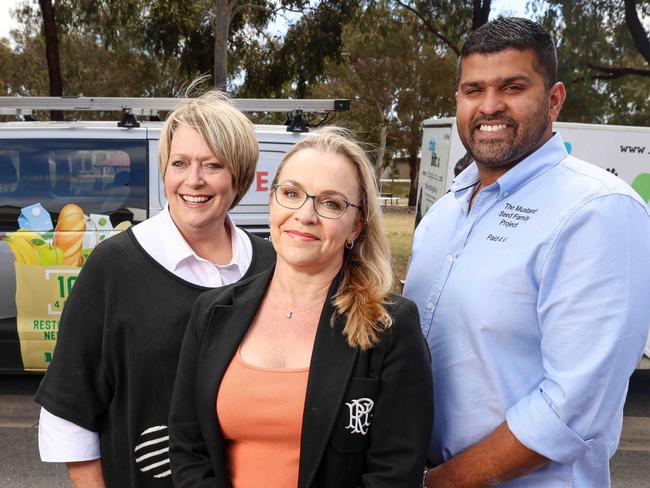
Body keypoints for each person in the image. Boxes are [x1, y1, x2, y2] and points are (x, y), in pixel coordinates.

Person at [403, 16, 650, 488]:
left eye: (512, 87)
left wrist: (438, 483)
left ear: (554, 99)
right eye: (473, 90)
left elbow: (571, 410)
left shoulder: (596, 211)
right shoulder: (443, 215)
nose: (489, 106)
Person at [34, 91, 276, 488]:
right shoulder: (114, 267)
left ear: (240, 176)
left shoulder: (271, 266)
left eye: (212, 165)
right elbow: (69, 412)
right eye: (179, 163)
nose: (192, 180)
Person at [168, 127, 433, 488]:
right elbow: (188, 449)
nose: (305, 215)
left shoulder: (389, 326)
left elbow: (394, 473)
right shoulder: (212, 312)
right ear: (271, 202)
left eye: (330, 203)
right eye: (291, 193)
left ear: (356, 225)